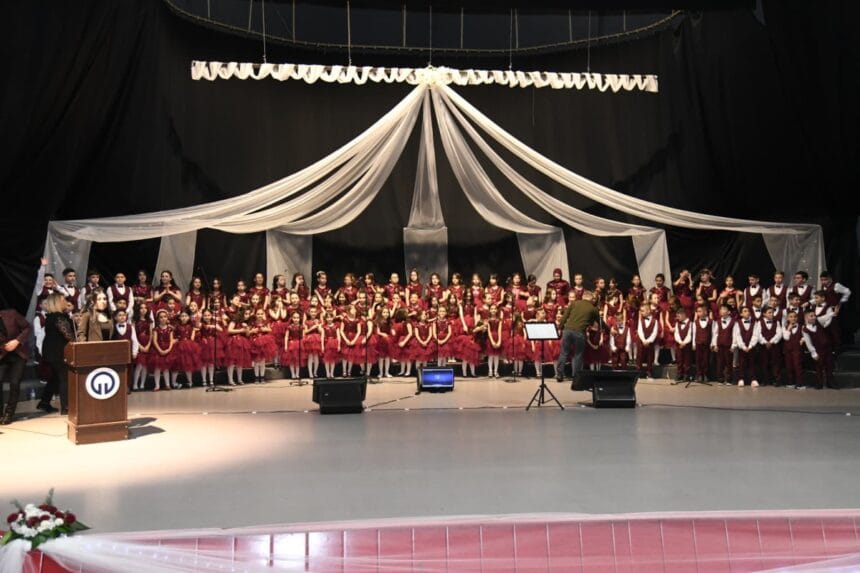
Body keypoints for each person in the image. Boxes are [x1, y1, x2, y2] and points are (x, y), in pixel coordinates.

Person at [556, 290, 600, 382]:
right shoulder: (593, 308)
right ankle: (576, 376)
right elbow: (595, 322)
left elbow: (564, 317)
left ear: (583, 297)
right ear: (591, 298)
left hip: (567, 330)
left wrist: (560, 328)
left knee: (564, 352)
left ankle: (559, 375)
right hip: (580, 332)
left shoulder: (574, 304)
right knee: (578, 355)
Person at [0, 307, 33, 424]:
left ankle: (9, 413)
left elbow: (27, 327)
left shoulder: (11, 314)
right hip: (2, 355)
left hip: (19, 353)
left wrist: (17, 341)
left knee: (14, 383)